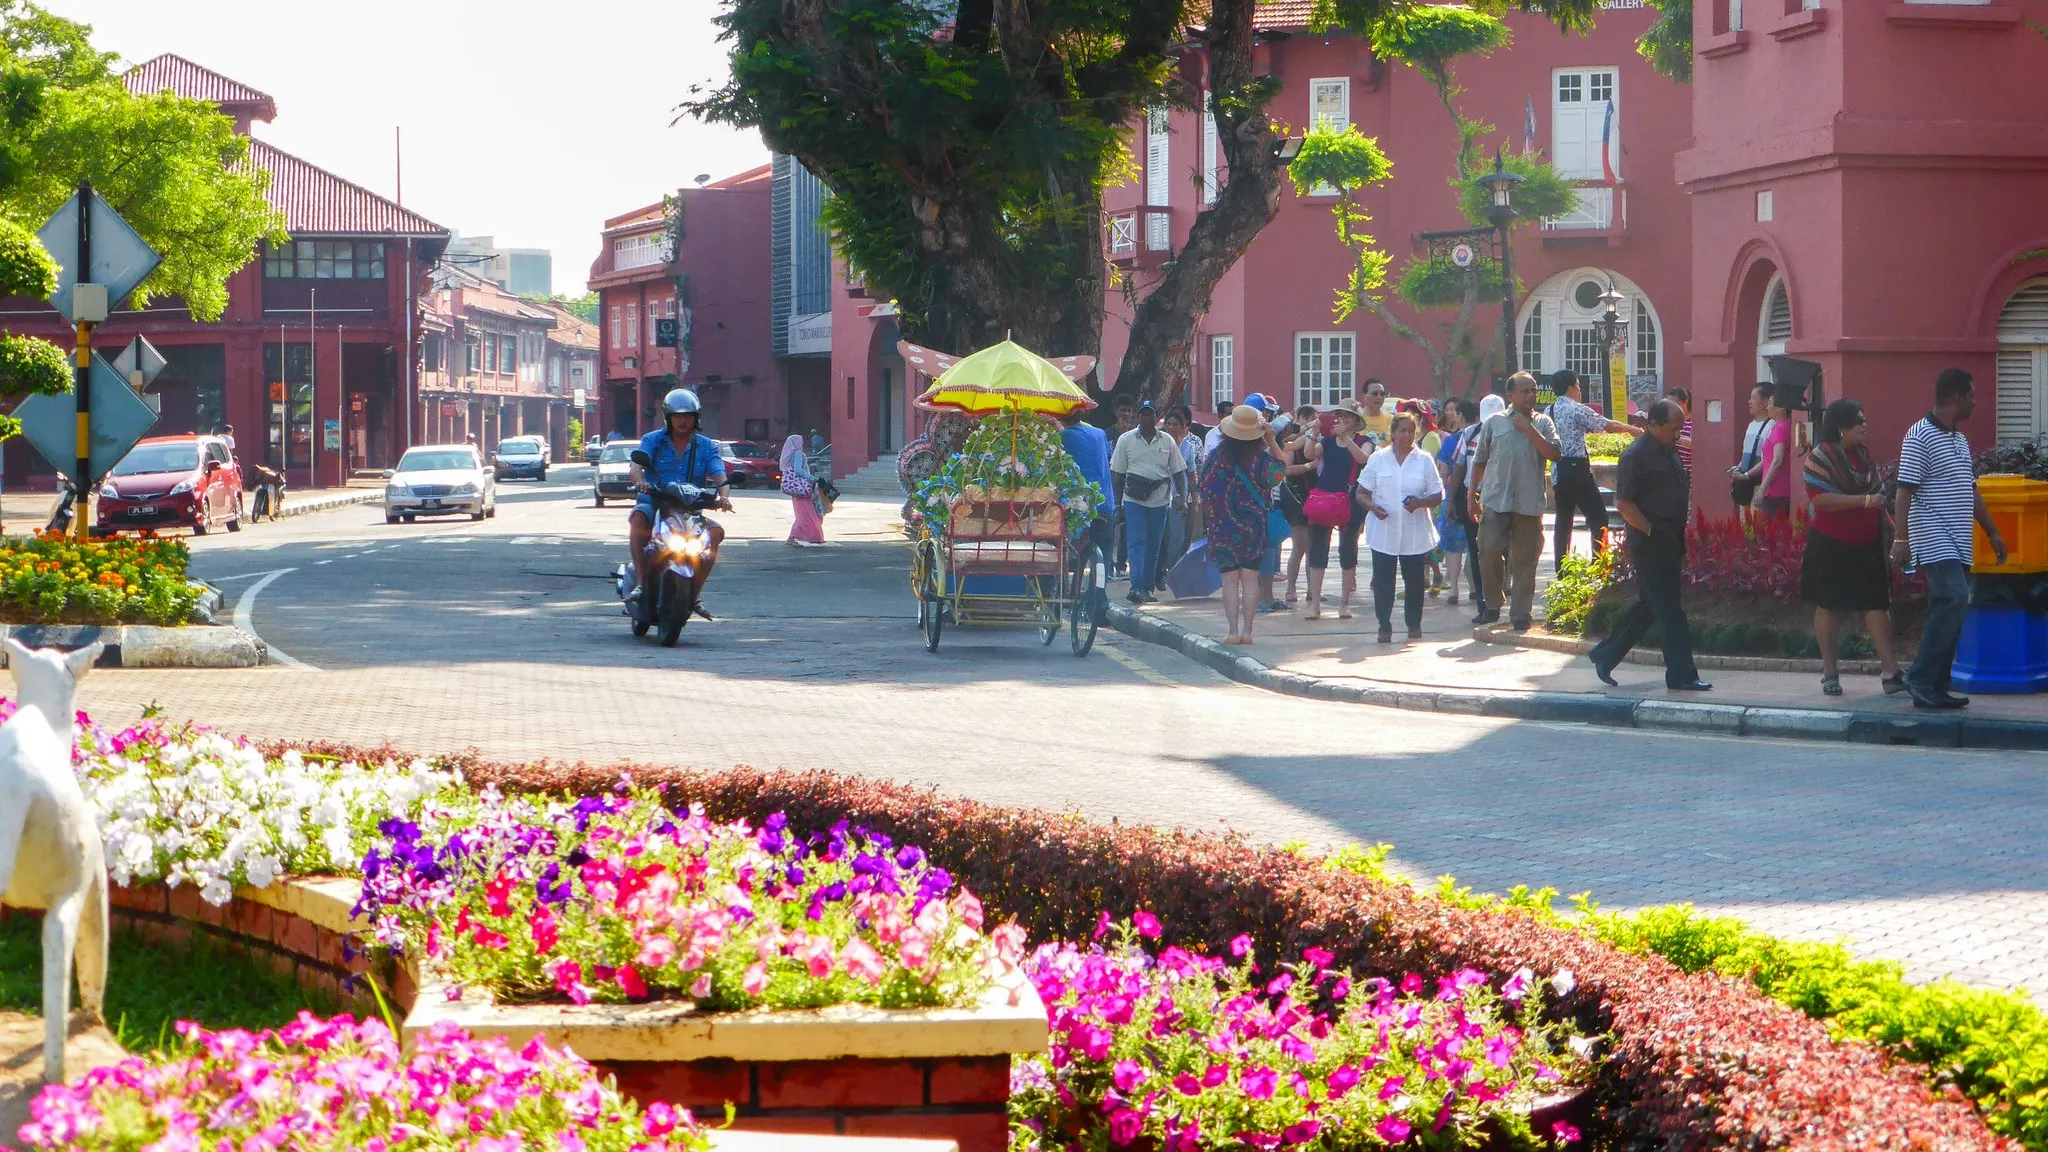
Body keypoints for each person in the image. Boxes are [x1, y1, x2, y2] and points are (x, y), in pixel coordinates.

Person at [1894, 368, 2008, 710]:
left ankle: (1936, 685)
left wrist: (1992, 531)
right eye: (1972, 395)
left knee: (1948, 607)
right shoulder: (1919, 435)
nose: (1975, 402)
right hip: (1933, 536)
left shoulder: (1958, 439)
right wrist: (1901, 541)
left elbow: (1970, 490)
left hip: (1959, 540)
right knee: (1954, 599)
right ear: (1956, 397)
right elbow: (1903, 491)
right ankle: (1921, 678)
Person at [1589, 400, 1710, 691]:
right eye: (1674, 427)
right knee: (1670, 611)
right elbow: (1624, 502)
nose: (1679, 433)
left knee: (1652, 605)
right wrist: (1651, 530)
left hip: (1672, 537)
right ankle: (1682, 674)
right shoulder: (1636, 455)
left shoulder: (1670, 451)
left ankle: (1605, 654)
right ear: (1653, 424)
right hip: (1651, 542)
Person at [1800, 399, 1902, 697]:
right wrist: (1863, 502)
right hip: (1831, 546)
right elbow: (1821, 499)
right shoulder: (1819, 458)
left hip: (1868, 544)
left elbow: (1878, 495)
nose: (1864, 425)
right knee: (1828, 606)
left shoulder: (1863, 458)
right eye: (1858, 421)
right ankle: (1830, 672)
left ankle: (1891, 672)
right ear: (1841, 427)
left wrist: (1893, 529)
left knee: (1876, 605)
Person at [1468, 372, 1560, 630]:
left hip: (1528, 503)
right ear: (1510, 395)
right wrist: (1471, 495)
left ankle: (1520, 612)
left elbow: (1554, 454)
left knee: (1525, 559)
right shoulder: (1494, 423)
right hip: (1496, 498)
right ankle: (1493, 603)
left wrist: (1528, 429)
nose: (1531, 395)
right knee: (1487, 551)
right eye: (1524, 391)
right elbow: (1480, 461)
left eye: (1533, 391)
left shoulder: (1544, 423)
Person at [628, 388, 732, 610]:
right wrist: (640, 482)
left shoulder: (707, 446)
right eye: (678, 416)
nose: (683, 421)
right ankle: (640, 584)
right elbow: (636, 467)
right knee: (638, 520)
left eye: (688, 416)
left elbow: (720, 474)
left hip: (689, 507)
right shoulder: (652, 439)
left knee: (715, 533)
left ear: (696, 418)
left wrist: (724, 497)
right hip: (655, 501)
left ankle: (695, 593)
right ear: (668, 418)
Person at [1358, 414, 1444, 644]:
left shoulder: (1424, 460)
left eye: (1411, 431)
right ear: (1393, 433)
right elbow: (1361, 493)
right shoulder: (1378, 459)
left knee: (1414, 582)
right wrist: (1373, 507)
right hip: (1384, 531)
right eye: (1402, 431)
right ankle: (1384, 625)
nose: (1407, 435)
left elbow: (1438, 494)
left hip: (1414, 532)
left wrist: (1420, 503)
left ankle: (1413, 624)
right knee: (1384, 581)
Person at [1202, 407, 1284, 645]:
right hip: (1254, 526)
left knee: (1229, 580)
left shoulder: (1216, 457)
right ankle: (1248, 631)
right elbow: (1279, 472)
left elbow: (1204, 488)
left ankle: (1232, 631)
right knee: (1250, 578)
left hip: (1223, 524)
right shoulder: (1261, 459)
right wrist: (1271, 438)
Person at [1548, 370, 1640, 575]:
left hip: (1558, 471)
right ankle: (1599, 565)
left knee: (1563, 520)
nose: (1579, 391)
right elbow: (1606, 425)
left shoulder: (1549, 410)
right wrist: (1631, 430)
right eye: (1578, 386)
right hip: (1578, 470)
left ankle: (1561, 569)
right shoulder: (1576, 409)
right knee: (1598, 517)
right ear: (1571, 387)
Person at [1301, 400, 1371, 620]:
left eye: (1348, 416)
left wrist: (1346, 438)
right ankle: (1315, 603)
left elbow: (1363, 458)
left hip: (1349, 500)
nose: (1343, 419)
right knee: (1318, 549)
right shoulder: (1328, 441)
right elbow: (1310, 454)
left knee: (1347, 550)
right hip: (1325, 498)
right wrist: (1314, 433)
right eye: (1340, 415)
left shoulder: (1364, 440)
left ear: (1356, 421)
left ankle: (1344, 602)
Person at [1110, 401, 1186, 606]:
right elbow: (1117, 475)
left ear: (1155, 417)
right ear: (1138, 416)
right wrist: (1116, 505)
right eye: (1143, 414)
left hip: (1160, 501)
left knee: (1154, 544)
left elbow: (1179, 472)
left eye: (1150, 414)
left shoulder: (1167, 441)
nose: (1146, 418)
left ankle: (1147, 586)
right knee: (1137, 541)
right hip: (1133, 500)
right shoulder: (1126, 440)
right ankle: (1136, 586)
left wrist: (1181, 497)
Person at [1059, 408, 1117, 600]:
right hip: (1105, 501)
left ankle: (1070, 591)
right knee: (1103, 557)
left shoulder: (1062, 437)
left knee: (1069, 549)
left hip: (1079, 506)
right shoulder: (1100, 433)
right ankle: (1100, 601)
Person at [1434, 398, 1478, 606]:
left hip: (1454, 493)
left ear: (1460, 416)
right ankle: (1474, 586)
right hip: (1478, 494)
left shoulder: (1452, 440)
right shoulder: (1483, 435)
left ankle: (1453, 588)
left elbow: (1443, 469)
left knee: (1453, 546)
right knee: (1474, 543)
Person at [1161, 405, 1206, 584]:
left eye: (1175, 424)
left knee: (1179, 538)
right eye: (1169, 423)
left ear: (1183, 426)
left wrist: (1195, 500)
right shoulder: (1160, 442)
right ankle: (1163, 571)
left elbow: (1192, 474)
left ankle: (1173, 571)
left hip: (1180, 499)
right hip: (1159, 498)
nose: (1172, 427)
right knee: (1163, 538)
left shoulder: (1188, 446)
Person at [1726, 382, 1776, 527]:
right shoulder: (1751, 425)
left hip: (1758, 483)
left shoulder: (1771, 425)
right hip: (1745, 484)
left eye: (1754, 398)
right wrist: (1737, 469)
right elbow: (1746, 455)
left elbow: (1767, 459)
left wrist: (1747, 474)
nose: (1749, 402)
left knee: (1758, 525)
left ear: (1766, 402)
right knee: (1745, 526)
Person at [1278, 421, 1316, 607]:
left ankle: (1312, 589)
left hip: (1317, 499)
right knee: (1299, 547)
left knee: (1313, 549)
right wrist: (1310, 466)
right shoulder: (1293, 446)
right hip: (1296, 498)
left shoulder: (1321, 446)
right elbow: (1285, 469)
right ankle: (1291, 588)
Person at [1752, 390, 1797, 521]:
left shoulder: (1780, 428)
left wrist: (1762, 489)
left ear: (1781, 408)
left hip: (1774, 490)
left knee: (1766, 534)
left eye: (1771, 403)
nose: (1768, 407)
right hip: (1784, 490)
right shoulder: (1789, 426)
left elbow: (1777, 460)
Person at [1109, 400, 1139, 578]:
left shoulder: (1135, 436)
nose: (1126, 414)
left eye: (1129, 410)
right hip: (1111, 485)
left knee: (1127, 527)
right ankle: (1108, 565)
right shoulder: (1108, 435)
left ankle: (1121, 564)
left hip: (1131, 487)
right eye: (1123, 410)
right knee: (1111, 525)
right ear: (1115, 412)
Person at [780, 434, 825, 546]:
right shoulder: (798, 453)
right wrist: (812, 478)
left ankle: (795, 536)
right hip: (803, 487)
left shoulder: (789, 455)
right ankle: (798, 536)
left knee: (801, 514)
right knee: (807, 513)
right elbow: (798, 470)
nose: (802, 443)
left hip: (796, 488)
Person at [1667, 387, 1695, 474]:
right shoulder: (1673, 421)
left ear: (1685, 402)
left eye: (1674, 403)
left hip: (1689, 473)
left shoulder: (1694, 422)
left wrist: (1675, 438)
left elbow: (1695, 444)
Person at [1358, 379, 1393, 444]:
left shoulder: (1392, 420)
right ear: (1364, 396)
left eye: (1382, 394)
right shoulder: (1356, 419)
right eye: (1375, 394)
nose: (1379, 397)